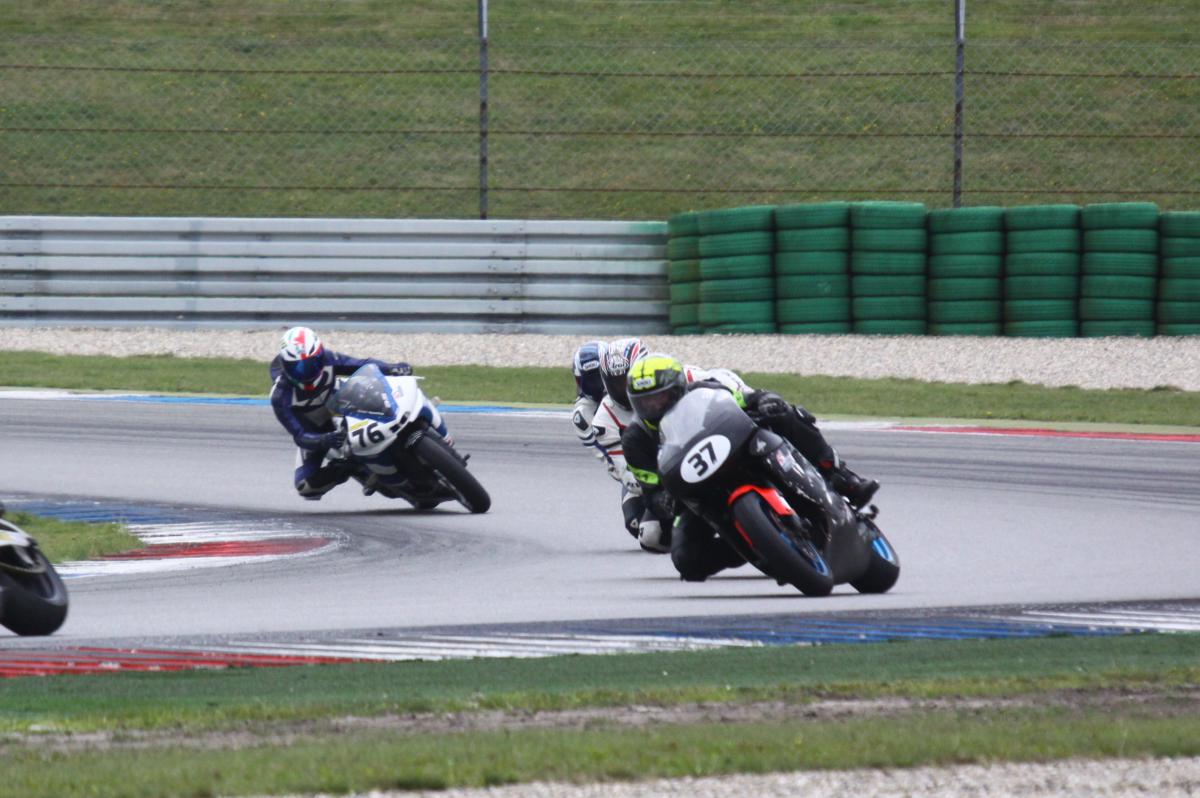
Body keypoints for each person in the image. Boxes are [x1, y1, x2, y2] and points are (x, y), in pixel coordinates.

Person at [620, 353, 880, 581]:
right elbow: (650, 489)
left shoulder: (704, 391)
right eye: (645, 402)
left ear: (678, 388)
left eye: (660, 398)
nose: (654, 406)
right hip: (699, 492)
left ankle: (839, 474)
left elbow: (747, 398)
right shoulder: (635, 439)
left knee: (786, 414)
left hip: (742, 450)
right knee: (687, 560)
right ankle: (761, 548)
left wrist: (766, 400)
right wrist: (664, 501)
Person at [269, 326, 425, 500]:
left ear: (319, 354)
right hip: (317, 431)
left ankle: (419, 426)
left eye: (311, 362)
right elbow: (299, 435)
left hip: (342, 402)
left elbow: (361, 364)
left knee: (384, 396)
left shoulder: (328, 359)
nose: (306, 371)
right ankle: (348, 467)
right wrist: (322, 440)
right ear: (286, 365)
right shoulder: (280, 396)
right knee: (305, 486)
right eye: (297, 367)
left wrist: (391, 368)